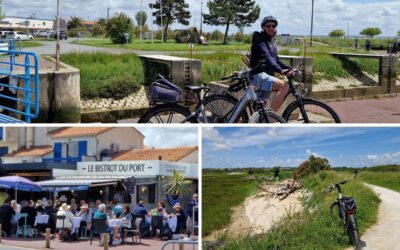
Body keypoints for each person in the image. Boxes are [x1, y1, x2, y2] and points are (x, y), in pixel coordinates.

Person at [250, 16, 293, 112]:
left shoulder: (271, 41)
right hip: (257, 74)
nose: (271, 28)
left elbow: (276, 60)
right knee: (284, 86)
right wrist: (281, 71)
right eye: (268, 26)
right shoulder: (260, 40)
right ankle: (271, 118)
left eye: (273, 26)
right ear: (263, 27)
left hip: (265, 75)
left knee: (260, 107)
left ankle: (261, 119)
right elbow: (267, 58)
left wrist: (290, 68)